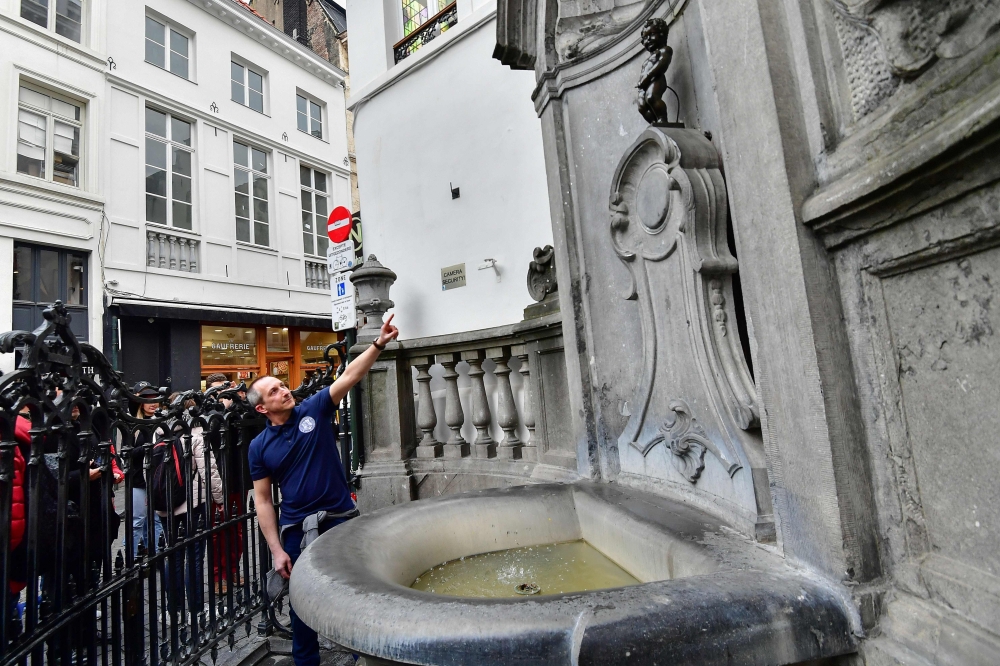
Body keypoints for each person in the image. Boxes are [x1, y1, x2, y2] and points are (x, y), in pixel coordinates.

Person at [249, 315, 399, 666]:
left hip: (341, 519)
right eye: (274, 391)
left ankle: (365, 657)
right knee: (301, 604)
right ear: (262, 408)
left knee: (356, 594)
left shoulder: (313, 410)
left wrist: (378, 344)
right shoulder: (258, 447)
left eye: (282, 385)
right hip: (296, 530)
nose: (284, 391)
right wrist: (276, 550)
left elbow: (350, 376)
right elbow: (263, 500)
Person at [154, 393, 224, 620]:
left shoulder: (159, 431)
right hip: (192, 505)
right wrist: (219, 499)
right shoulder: (196, 434)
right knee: (194, 557)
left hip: (165, 505)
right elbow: (209, 472)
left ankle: (172, 610)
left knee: (173, 555)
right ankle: (196, 609)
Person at [204, 373, 244, 594]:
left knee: (238, 529)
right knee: (217, 532)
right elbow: (209, 436)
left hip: (237, 476)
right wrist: (222, 409)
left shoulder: (236, 408)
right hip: (217, 480)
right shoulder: (206, 413)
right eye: (218, 389)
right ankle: (218, 576)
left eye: (225, 388)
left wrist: (238, 400)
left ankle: (233, 569)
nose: (223, 393)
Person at [130, 382, 165, 556]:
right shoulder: (133, 424)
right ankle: (132, 558)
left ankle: (157, 555)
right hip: (139, 479)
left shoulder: (163, 422)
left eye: (155, 399)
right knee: (137, 520)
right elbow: (128, 453)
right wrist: (148, 447)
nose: (152, 403)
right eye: (147, 399)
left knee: (157, 520)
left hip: (159, 477)